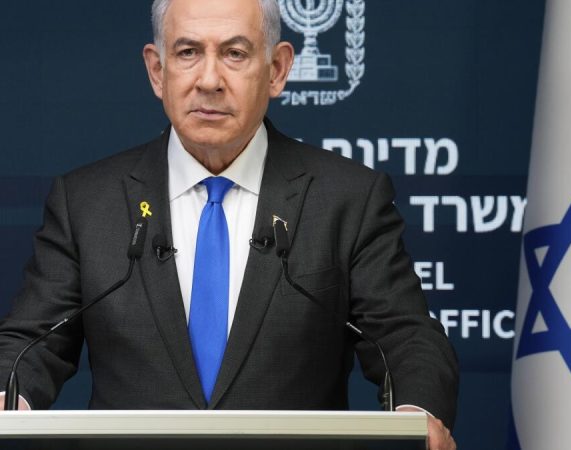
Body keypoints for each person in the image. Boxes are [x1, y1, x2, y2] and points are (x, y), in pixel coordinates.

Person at [0, 0, 458, 448]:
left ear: (277, 69)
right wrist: (6, 396)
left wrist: (416, 412)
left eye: (234, 53)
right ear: (157, 70)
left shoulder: (347, 199)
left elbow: (406, 337)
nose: (209, 80)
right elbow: (30, 344)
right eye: (188, 52)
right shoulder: (86, 202)